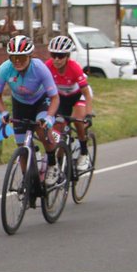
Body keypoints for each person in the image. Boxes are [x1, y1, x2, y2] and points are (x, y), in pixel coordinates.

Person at [0, 35, 60, 182]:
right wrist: (3, 112)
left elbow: (55, 98)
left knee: (42, 130)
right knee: (21, 145)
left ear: (30, 56)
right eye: (13, 57)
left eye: (21, 57)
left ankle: (53, 165)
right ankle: (27, 180)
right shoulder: (4, 69)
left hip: (41, 101)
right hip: (20, 104)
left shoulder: (39, 68)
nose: (17, 61)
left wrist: (49, 118)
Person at [44, 35, 94, 172]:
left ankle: (84, 152)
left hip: (79, 96)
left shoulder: (74, 68)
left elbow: (87, 94)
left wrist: (88, 114)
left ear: (67, 56)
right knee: (58, 129)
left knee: (78, 121)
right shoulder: (47, 66)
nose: (56, 59)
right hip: (61, 98)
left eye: (60, 56)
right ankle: (58, 165)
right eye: (53, 55)